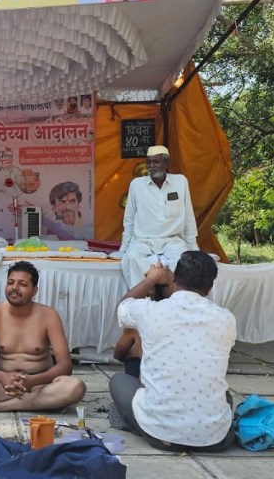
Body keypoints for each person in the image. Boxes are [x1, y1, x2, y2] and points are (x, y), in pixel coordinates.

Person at [109, 252, 236, 452]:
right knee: (224, 394)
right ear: (209, 288)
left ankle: (137, 422)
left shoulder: (150, 311)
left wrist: (152, 279)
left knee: (118, 381)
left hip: (160, 435)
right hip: (215, 440)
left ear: (175, 279)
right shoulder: (226, 319)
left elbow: (123, 308)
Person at [0, 261, 86, 412]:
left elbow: (65, 366)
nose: (14, 288)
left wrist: (32, 381)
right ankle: (34, 403)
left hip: (39, 385)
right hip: (3, 385)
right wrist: (2, 377)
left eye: (22, 284)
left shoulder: (49, 315)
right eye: (10, 282)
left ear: (34, 290)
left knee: (75, 387)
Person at [118, 144, 198, 289]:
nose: (151, 166)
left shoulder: (180, 182)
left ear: (167, 163)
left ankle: (173, 301)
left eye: (156, 162)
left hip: (172, 242)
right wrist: (124, 248)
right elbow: (129, 219)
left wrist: (193, 247)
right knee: (131, 258)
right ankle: (140, 301)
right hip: (143, 242)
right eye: (149, 162)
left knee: (184, 263)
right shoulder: (136, 185)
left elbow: (188, 217)